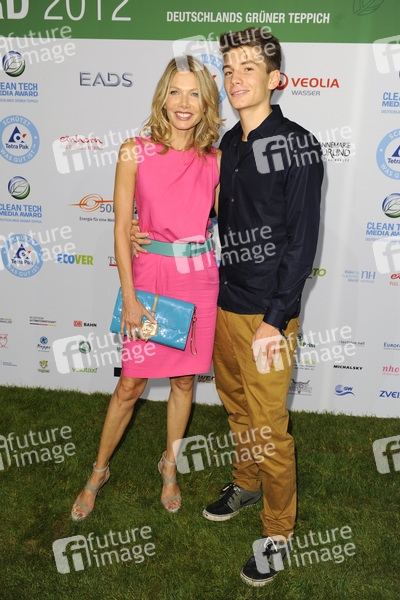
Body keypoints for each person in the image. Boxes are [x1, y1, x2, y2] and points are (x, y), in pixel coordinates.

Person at [132, 26, 324, 587]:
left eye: (249, 68)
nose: (236, 78)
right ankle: (246, 482)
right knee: (238, 410)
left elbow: (302, 243)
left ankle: (278, 533)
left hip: (267, 315)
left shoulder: (299, 145)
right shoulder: (228, 145)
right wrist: (146, 232)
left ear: (275, 79)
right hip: (222, 302)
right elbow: (198, 209)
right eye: (230, 68)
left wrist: (275, 321)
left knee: (271, 428)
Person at [71, 55, 222, 520]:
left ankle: (169, 466)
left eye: (194, 94)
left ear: (206, 103)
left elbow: (229, 216)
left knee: (184, 381)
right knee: (130, 384)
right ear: (162, 98)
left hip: (198, 279)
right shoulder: (133, 151)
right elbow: (121, 229)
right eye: (175, 92)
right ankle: (98, 471)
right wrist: (131, 298)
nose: (184, 103)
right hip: (149, 280)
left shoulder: (216, 161)